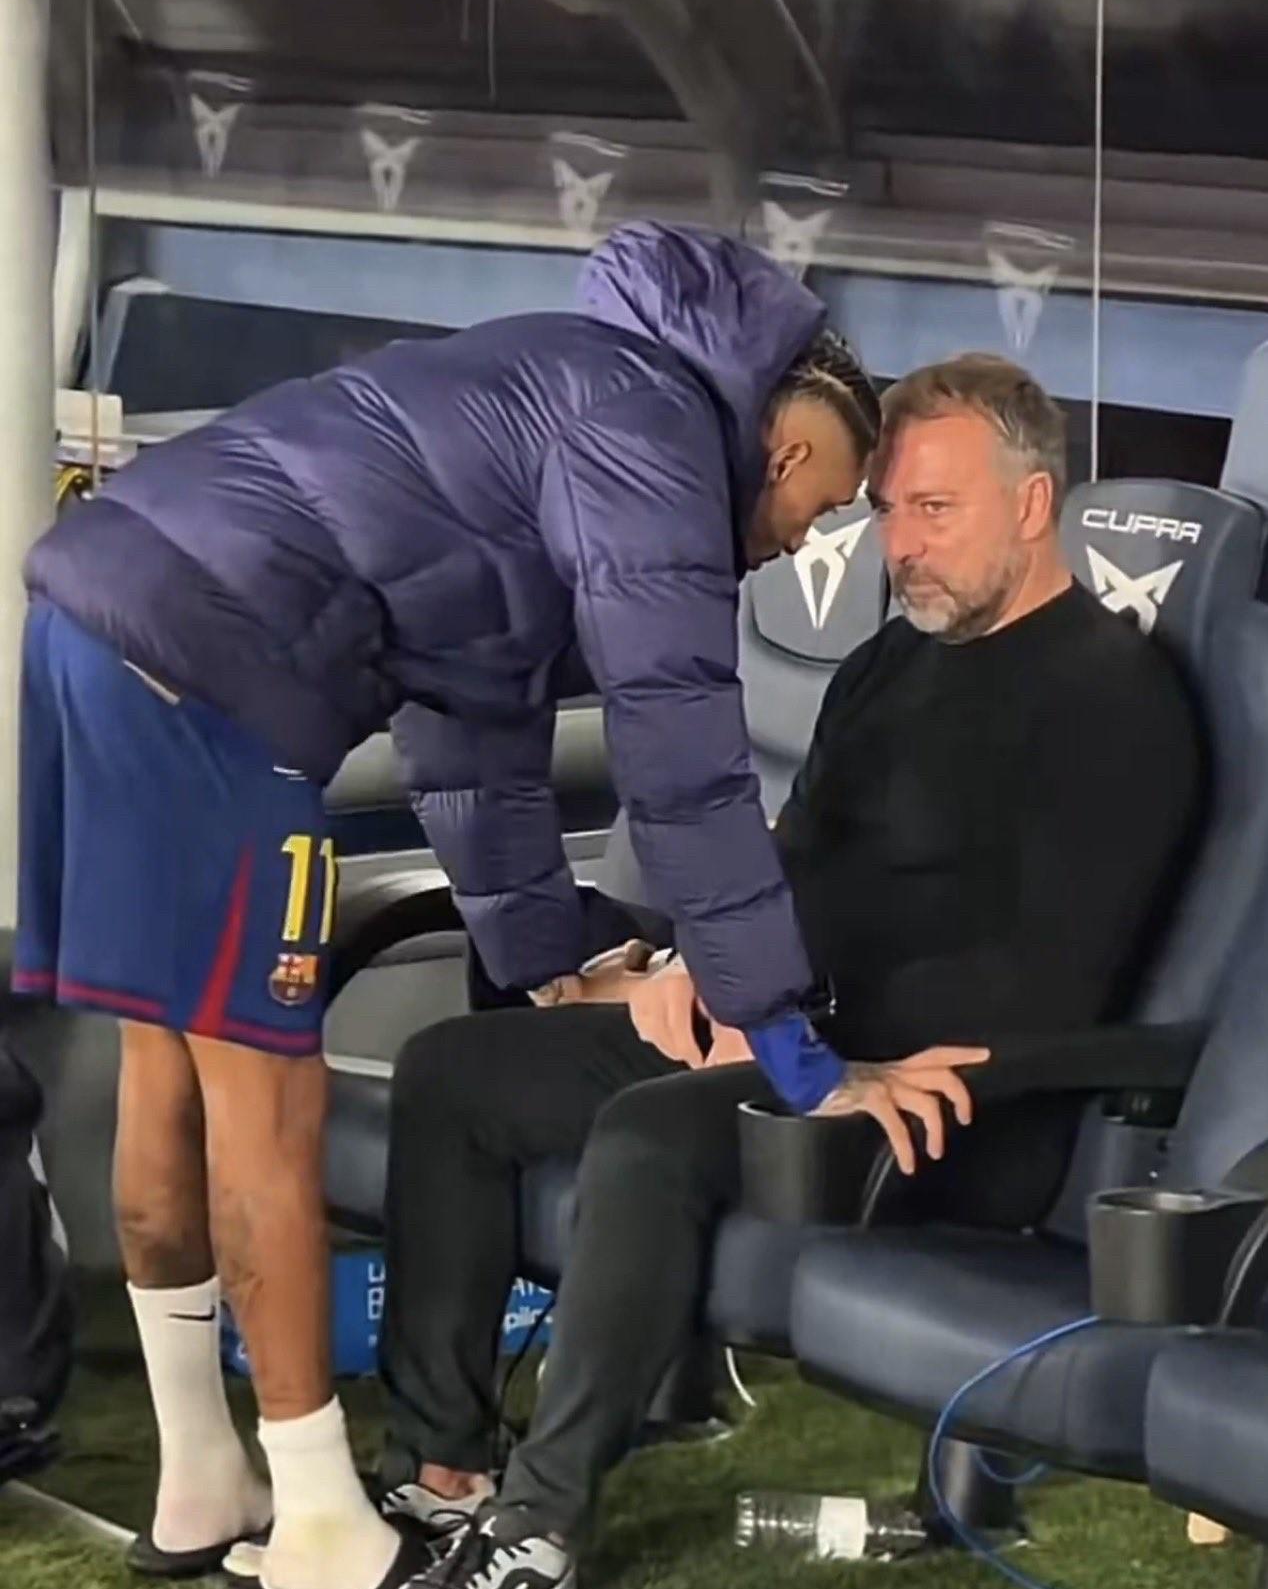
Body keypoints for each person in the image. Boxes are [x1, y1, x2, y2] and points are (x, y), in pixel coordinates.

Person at [9, 223, 883, 1589]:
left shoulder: (562, 385)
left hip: (96, 609)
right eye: (814, 493)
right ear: (776, 430)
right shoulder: (652, 428)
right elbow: (682, 756)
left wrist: (548, 967)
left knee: (164, 1069)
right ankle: (320, 1520)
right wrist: (788, 1040)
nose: (801, 531)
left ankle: (201, 1476)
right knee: (266, 1101)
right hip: (216, 668)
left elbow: (471, 728)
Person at [373, 354, 1204, 1589]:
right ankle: (442, 1469)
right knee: (452, 1072)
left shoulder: (1113, 699)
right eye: (890, 510)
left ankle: (538, 1526)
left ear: (1032, 504)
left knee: (651, 1132)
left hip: (948, 1103)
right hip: (797, 1047)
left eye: (936, 511)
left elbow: (1039, 975)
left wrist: (797, 1035)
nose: (901, 546)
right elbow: (787, 861)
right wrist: (700, 967)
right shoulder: (885, 664)